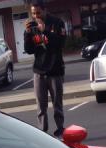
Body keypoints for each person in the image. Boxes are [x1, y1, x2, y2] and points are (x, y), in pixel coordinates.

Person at [23, 0, 67, 138]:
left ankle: (60, 130)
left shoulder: (57, 22)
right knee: (41, 107)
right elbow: (29, 50)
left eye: (38, 12)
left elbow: (60, 44)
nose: (36, 16)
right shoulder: (32, 25)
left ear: (44, 10)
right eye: (33, 13)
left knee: (57, 105)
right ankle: (43, 133)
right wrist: (27, 34)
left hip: (55, 70)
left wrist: (45, 31)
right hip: (39, 71)